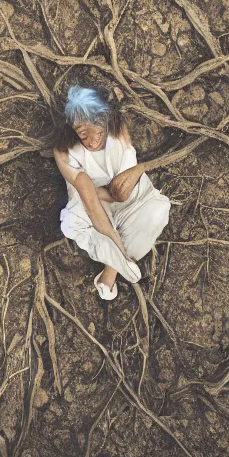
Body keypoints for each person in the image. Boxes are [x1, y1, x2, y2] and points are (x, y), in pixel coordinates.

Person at [52, 84, 171, 300]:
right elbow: (90, 203)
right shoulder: (64, 153)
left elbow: (121, 191)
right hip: (89, 204)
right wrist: (117, 243)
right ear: (72, 130)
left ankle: (111, 270)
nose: (93, 139)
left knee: (158, 210)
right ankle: (120, 260)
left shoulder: (117, 131)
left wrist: (121, 186)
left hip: (125, 193)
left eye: (97, 129)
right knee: (74, 224)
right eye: (82, 133)